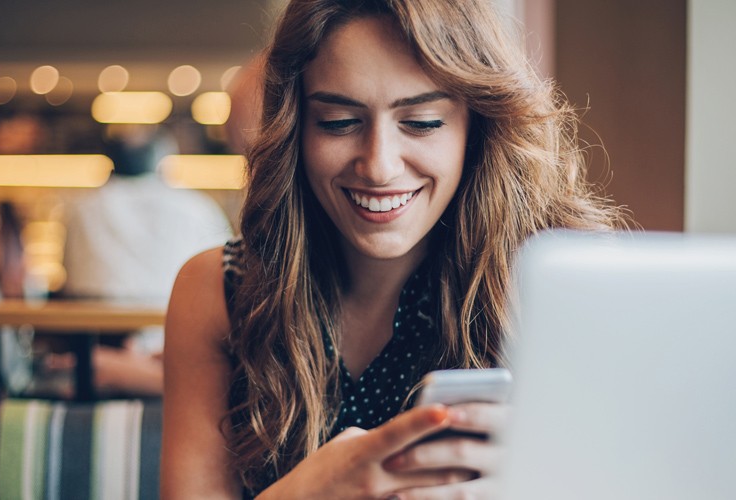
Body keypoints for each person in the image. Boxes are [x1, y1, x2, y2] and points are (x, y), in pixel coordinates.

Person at [161, 0, 623, 498]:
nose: (379, 167)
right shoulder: (219, 289)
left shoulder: (557, 287)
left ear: (479, 126)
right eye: (339, 121)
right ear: (294, 129)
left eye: (421, 122)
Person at [55, 124, 233, 397]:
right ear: (163, 164)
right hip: (180, 348)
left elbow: (67, 278)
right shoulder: (197, 207)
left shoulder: (82, 207)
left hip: (98, 351)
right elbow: (227, 280)